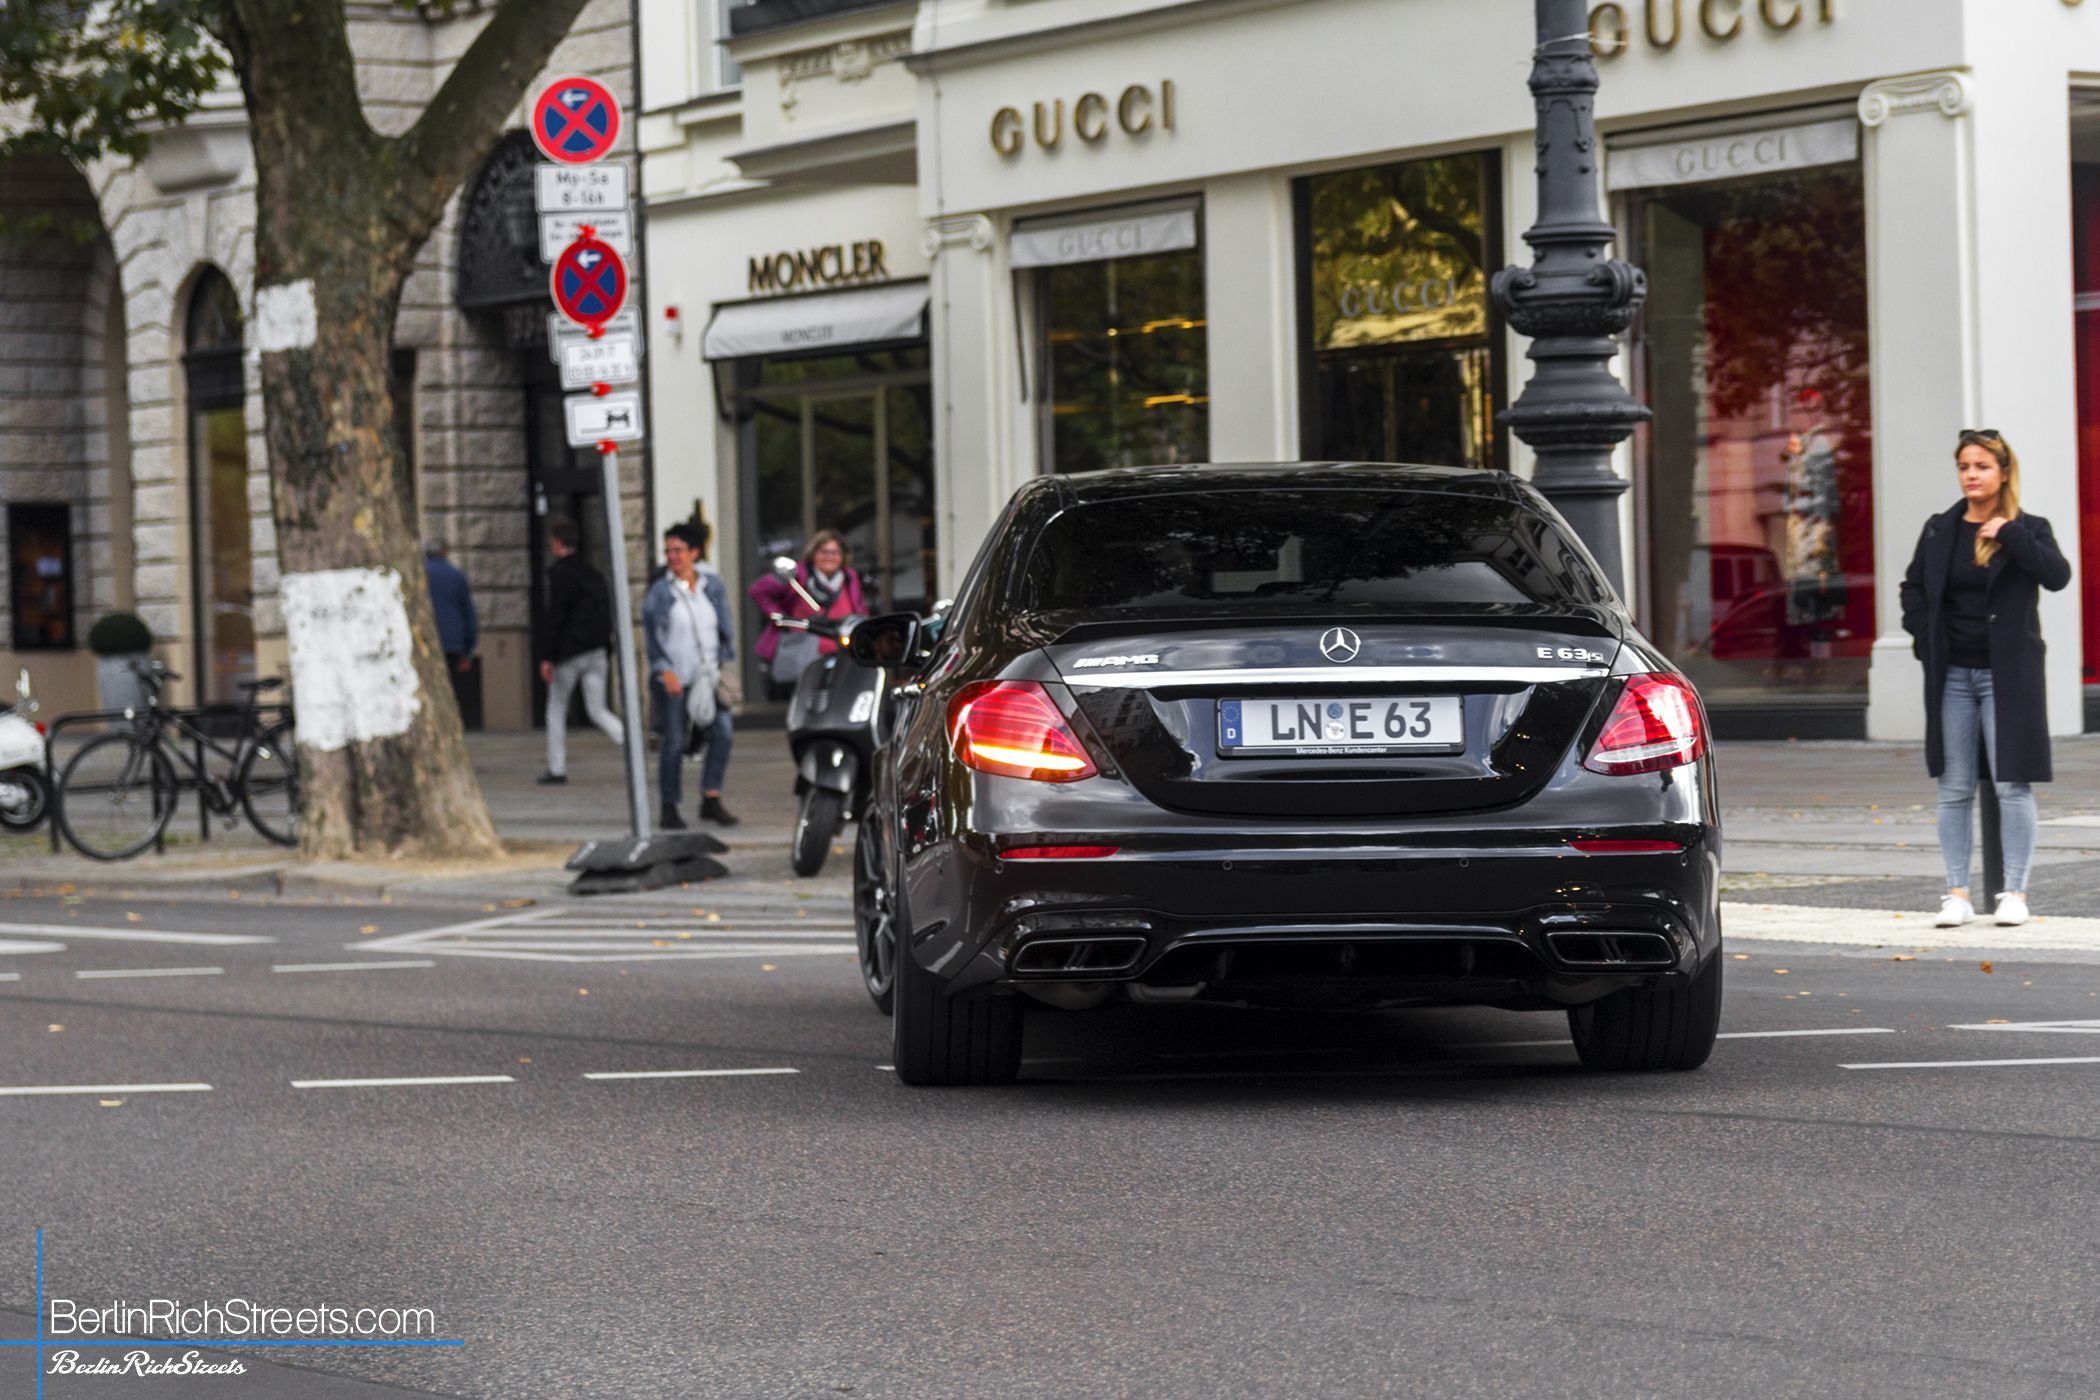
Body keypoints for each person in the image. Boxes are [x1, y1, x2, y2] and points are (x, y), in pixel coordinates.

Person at [1899, 429, 2072, 930]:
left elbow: (2058, 575)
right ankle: (1957, 893)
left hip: (2008, 675)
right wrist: (1924, 635)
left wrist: (2010, 534)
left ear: (2003, 472)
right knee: (1953, 786)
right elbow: (1913, 588)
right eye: (1964, 467)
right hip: (1952, 674)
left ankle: (2014, 892)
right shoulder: (1940, 529)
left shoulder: (2029, 528)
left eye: (1981, 466)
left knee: (2012, 783)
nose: (1971, 475)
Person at [642, 521, 738, 828]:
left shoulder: (712, 585)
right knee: (674, 742)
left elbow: (723, 624)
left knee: (722, 732)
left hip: (707, 677)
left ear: (694, 552)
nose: (673, 556)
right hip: (674, 678)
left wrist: (723, 658)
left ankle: (711, 796)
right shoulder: (661, 591)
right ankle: (669, 805)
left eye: (679, 550)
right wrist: (663, 670)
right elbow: (652, 637)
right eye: (668, 551)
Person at [535, 520, 623, 786]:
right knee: (597, 709)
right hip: (596, 650)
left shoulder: (560, 574)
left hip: (570, 652)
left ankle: (557, 768)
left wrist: (547, 656)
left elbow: (555, 616)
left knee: (556, 709)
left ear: (558, 543)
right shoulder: (593, 573)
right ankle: (629, 744)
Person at [749, 529, 867, 700]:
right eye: (823, 552)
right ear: (813, 553)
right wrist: (779, 616)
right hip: (802, 657)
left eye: (835, 552)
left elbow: (859, 609)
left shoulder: (849, 577)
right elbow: (758, 590)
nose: (829, 557)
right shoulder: (799, 575)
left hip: (841, 654)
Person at [424, 537, 479, 721]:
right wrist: (468, 649)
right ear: (445, 552)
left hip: (427, 641)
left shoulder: (421, 575)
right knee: (451, 688)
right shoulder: (456, 576)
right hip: (452, 642)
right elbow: (468, 613)